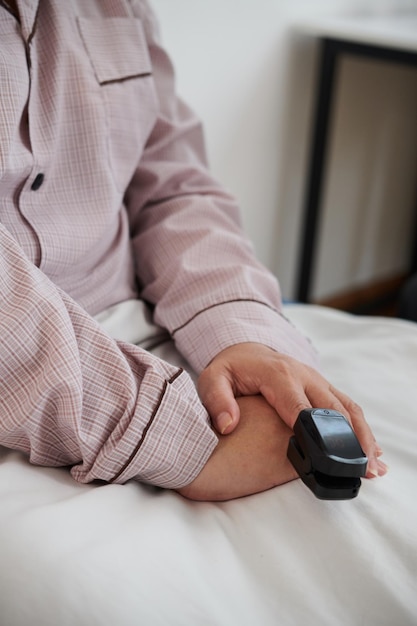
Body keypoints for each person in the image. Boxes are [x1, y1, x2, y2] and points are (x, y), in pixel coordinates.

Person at [0, 0, 387, 501]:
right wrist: (175, 440)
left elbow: (170, 187)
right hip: (66, 414)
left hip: (156, 338)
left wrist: (241, 335)